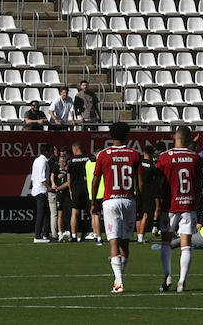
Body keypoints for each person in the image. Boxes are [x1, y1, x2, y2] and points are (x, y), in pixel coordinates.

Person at [91, 121, 143, 294]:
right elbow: (140, 182)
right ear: (127, 135)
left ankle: (119, 282)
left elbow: (95, 180)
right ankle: (118, 280)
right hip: (129, 199)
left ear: (110, 135)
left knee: (113, 241)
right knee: (125, 242)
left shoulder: (104, 154)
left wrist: (93, 202)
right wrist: (141, 202)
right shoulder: (134, 154)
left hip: (110, 200)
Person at [156, 125, 203, 293]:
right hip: (188, 204)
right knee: (186, 244)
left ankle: (168, 275)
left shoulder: (164, 157)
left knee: (166, 242)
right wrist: (195, 203)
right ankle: (182, 281)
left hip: (169, 205)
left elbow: (160, 184)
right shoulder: (196, 158)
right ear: (190, 140)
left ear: (174, 138)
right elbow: (199, 186)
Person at [67, 142, 91, 241]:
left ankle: (74, 236)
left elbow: (69, 177)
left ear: (75, 149)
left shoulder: (71, 161)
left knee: (74, 213)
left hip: (76, 189)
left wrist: (70, 190)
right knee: (90, 212)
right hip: (87, 188)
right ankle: (91, 232)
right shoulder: (88, 159)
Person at [31, 144, 53, 243]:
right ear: (47, 152)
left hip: (38, 189)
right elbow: (42, 179)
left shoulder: (37, 160)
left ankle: (45, 235)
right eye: (51, 151)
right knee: (41, 214)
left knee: (46, 214)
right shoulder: (43, 161)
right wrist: (50, 189)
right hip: (41, 190)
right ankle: (37, 236)